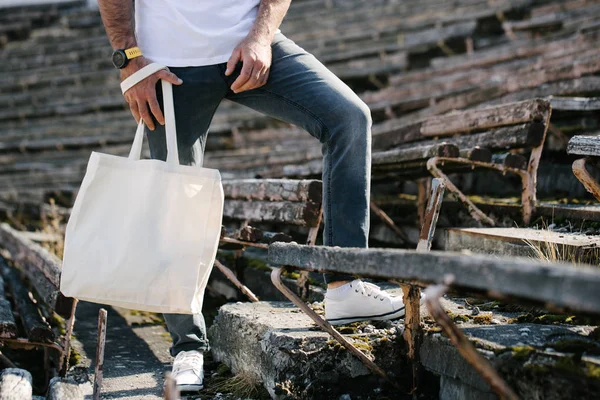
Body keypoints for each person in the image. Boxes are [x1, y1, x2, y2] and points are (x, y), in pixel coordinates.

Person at [97, 0, 406, 392]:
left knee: (349, 117)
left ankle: (345, 285)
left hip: (252, 44)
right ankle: (187, 347)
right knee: (176, 195)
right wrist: (128, 58)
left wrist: (261, 37)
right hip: (167, 65)